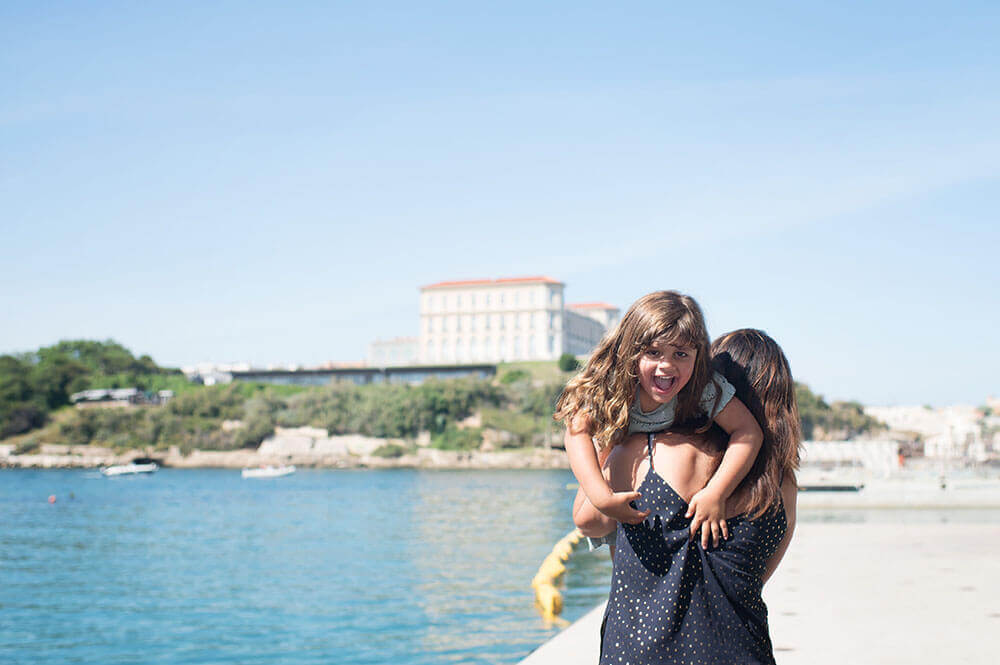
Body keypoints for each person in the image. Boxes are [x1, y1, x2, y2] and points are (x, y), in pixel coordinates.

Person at [573, 329, 801, 665]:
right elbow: (754, 577)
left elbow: (590, 522)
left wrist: (609, 438)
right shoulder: (783, 482)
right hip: (743, 650)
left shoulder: (647, 451)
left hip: (641, 649)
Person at [555, 291, 764, 549]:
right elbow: (576, 430)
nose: (666, 365)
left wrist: (716, 492)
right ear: (631, 352)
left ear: (698, 356)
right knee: (589, 521)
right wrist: (601, 497)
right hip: (614, 441)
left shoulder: (702, 388)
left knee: (632, 529)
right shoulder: (613, 383)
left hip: (657, 467)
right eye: (653, 353)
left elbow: (748, 431)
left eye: (681, 354)